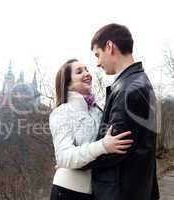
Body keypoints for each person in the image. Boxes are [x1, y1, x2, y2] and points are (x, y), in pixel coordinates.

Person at [82, 23, 160, 200]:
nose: (98, 63)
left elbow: (116, 149)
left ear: (109, 47)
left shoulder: (129, 88)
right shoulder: (137, 81)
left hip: (120, 192)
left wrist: (75, 161)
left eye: (98, 55)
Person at [49, 58, 133, 200]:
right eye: (79, 71)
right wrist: (102, 146)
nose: (87, 73)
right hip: (67, 192)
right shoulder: (61, 112)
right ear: (68, 84)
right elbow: (63, 157)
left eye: (86, 69)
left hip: (96, 192)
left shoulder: (98, 111)